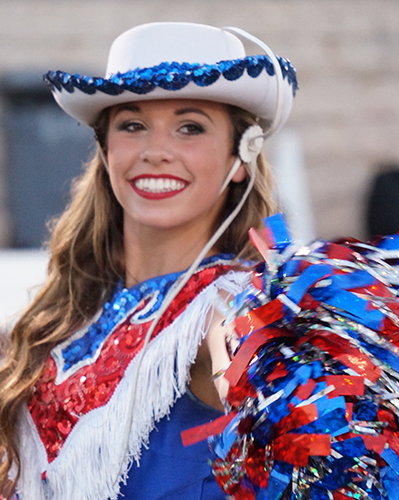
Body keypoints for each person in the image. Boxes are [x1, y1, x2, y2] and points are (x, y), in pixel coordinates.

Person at [0, 22, 297, 500]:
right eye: (133, 125)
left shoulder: (230, 308)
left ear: (240, 156)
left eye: (190, 128)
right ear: (106, 148)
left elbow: (278, 404)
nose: (156, 152)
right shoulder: (68, 311)